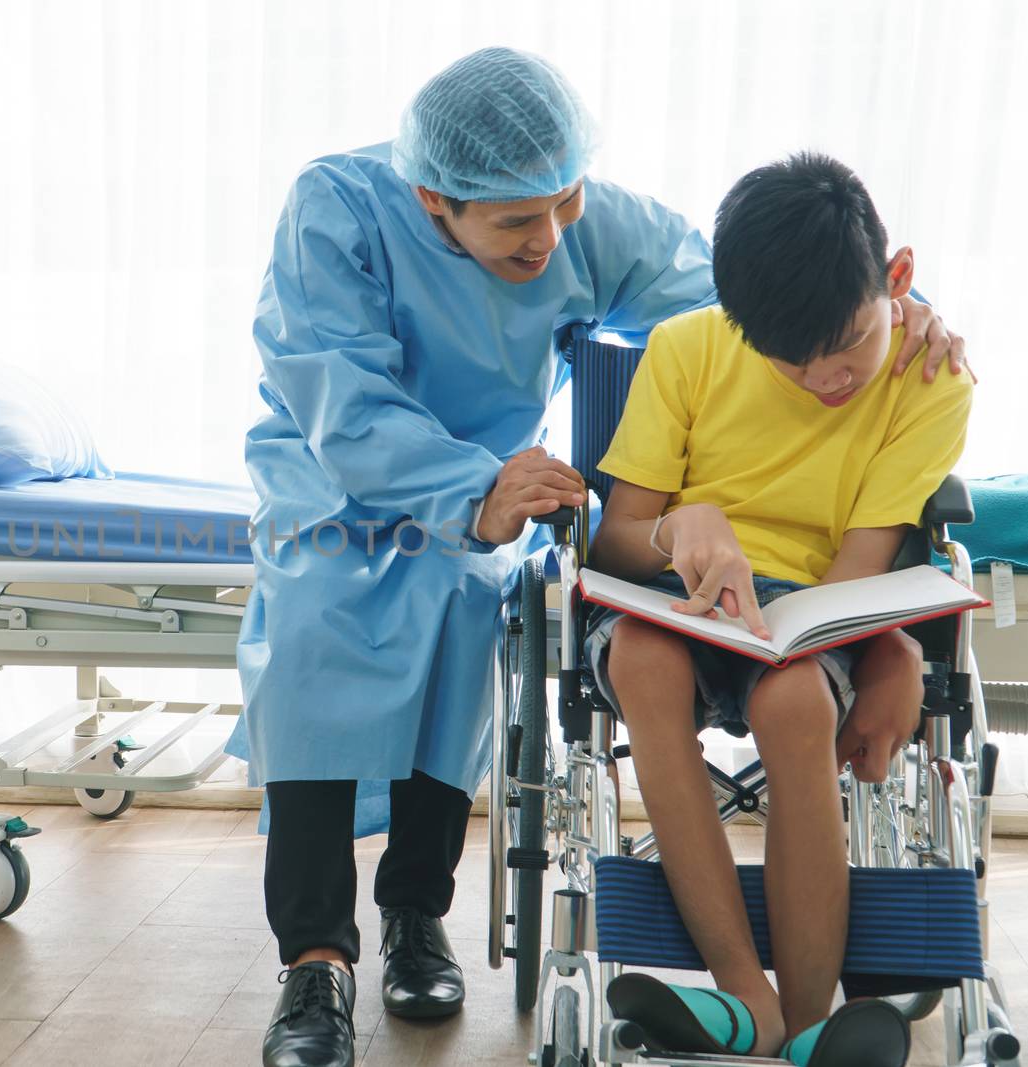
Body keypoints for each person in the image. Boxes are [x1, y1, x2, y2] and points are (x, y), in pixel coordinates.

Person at [232, 48, 967, 1067]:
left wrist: (902, 316)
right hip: (338, 486)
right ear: (436, 198)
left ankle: (413, 918)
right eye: (517, 222)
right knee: (314, 650)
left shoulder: (578, 219)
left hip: (497, 488)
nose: (551, 238)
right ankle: (316, 960)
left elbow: (746, 301)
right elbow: (338, 396)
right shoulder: (338, 211)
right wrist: (477, 492)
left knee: (459, 650)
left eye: (565, 204)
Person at [591, 152, 973, 1067]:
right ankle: (744, 998)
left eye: (845, 353)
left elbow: (859, 570)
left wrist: (891, 650)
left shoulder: (931, 386)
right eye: (789, 363)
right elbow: (616, 538)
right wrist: (682, 526)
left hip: (817, 606)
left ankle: (811, 1027)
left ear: (900, 281)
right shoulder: (688, 349)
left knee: (793, 701)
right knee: (644, 662)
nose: (822, 383)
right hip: (673, 605)